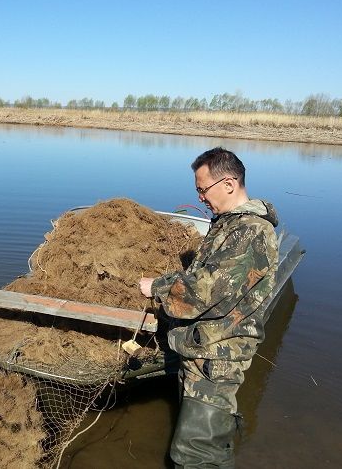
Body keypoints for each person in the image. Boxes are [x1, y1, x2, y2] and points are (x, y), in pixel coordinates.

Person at [139, 147, 279, 468]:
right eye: (197, 191)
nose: (200, 197)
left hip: (217, 360)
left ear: (229, 184)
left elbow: (203, 292)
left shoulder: (251, 233)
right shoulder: (228, 225)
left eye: (203, 189)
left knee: (197, 455)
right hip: (201, 353)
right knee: (197, 441)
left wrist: (155, 287)